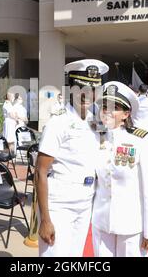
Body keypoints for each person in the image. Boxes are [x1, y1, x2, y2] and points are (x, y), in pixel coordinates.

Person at [36, 59, 109, 257]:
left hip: (85, 203)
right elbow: (41, 171)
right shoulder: (58, 123)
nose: (87, 94)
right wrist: (45, 219)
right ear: (71, 89)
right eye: (81, 88)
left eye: (93, 89)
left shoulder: (95, 121)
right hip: (60, 204)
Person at [92, 81, 148, 257]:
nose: (106, 111)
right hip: (102, 221)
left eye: (113, 107)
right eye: (104, 106)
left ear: (126, 114)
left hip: (130, 224)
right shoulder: (95, 138)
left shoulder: (141, 141)